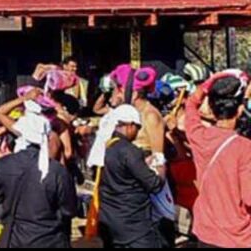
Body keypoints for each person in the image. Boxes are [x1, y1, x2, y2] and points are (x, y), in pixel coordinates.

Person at [0, 109, 77, 248]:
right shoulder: (57, 171)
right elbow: (68, 210)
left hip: (14, 238)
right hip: (50, 239)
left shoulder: (3, 165)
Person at [183, 71, 251, 248]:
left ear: (211, 110)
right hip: (236, 236)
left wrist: (209, 82)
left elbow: (190, 105)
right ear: (240, 110)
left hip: (205, 231)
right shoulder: (244, 148)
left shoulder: (198, 136)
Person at [96, 104, 168, 248]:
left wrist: (141, 164)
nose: (137, 132)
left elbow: (122, 171)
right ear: (129, 125)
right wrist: (161, 167)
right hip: (133, 225)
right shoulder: (130, 151)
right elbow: (154, 185)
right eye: (137, 127)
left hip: (110, 221)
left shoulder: (109, 146)